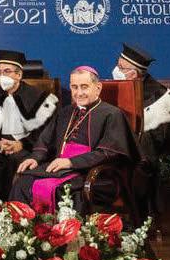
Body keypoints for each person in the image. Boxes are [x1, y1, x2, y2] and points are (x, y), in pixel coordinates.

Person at [11, 66, 138, 214]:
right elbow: (46, 140)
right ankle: (25, 227)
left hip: (94, 174)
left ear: (98, 88)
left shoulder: (112, 114)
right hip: (60, 168)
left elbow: (108, 153)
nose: (79, 93)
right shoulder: (65, 112)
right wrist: (35, 158)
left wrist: (71, 162)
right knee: (23, 182)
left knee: (62, 190)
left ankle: (62, 229)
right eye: (74, 87)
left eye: (84, 87)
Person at [112, 43, 170, 217]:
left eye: (121, 67)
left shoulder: (160, 97)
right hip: (124, 149)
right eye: (117, 64)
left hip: (155, 154)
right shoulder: (118, 88)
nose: (116, 69)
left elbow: (159, 138)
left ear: (133, 74)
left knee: (142, 145)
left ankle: (138, 216)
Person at [0, 50, 57, 199]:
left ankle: (14, 206)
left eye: (7, 71)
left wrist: (21, 144)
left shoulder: (38, 96)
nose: (2, 76)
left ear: (19, 75)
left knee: (17, 160)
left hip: (26, 147)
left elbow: (46, 131)